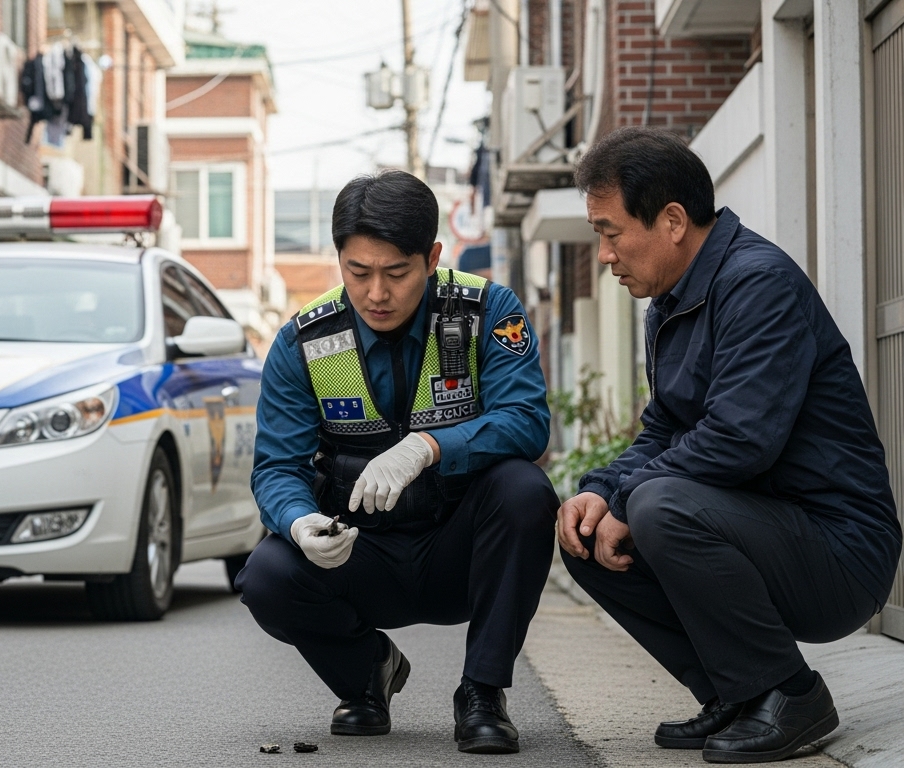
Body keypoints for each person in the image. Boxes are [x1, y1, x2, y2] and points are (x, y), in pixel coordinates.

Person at [558, 127, 901, 764]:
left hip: (839, 550)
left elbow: (740, 441)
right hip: (755, 529)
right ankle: (735, 694)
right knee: (583, 534)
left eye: (610, 232)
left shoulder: (758, 283)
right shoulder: (670, 301)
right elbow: (663, 428)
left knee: (657, 506)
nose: (604, 253)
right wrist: (599, 491)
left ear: (672, 221)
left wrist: (629, 499)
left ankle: (792, 694)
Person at [235, 169, 559, 755]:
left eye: (397, 273)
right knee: (266, 576)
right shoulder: (306, 343)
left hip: (459, 550)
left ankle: (482, 693)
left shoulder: (486, 311)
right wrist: (297, 521)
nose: (376, 294)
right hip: (360, 555)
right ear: (339, 261)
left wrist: (430, 446)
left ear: (432, 257)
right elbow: (276, 468)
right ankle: (366, 674)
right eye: (358, 273)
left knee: (525, 491)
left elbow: (528, 420)